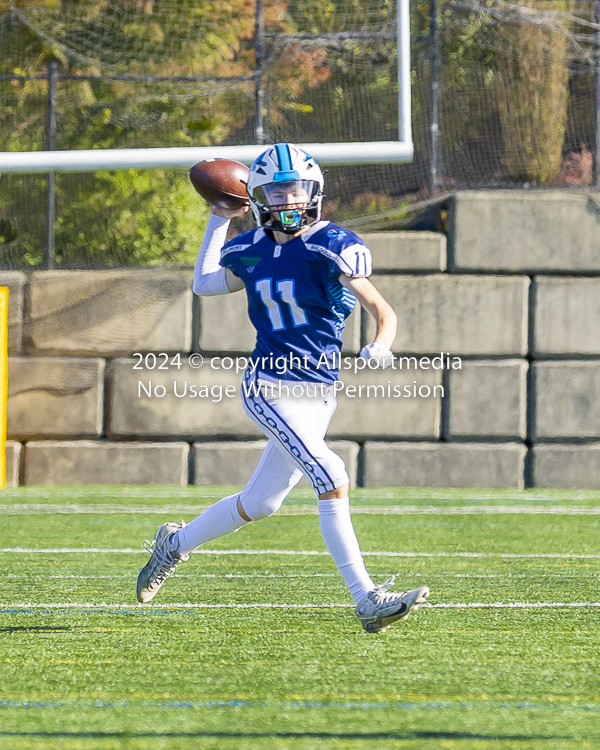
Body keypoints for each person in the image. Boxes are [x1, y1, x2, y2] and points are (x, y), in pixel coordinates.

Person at [136, 143, 429, 633]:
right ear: (257, 197)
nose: (288, 200)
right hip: (268, 385)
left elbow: (384, 310)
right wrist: (218, 218)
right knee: (331, 472)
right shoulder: (248, 248)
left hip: (318, 392)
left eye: (295, 189)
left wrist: (382, 342)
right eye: (276, 191)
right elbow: (206, 284)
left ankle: (175, 543)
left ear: (313, 192)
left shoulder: (331, 244)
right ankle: (367, 599)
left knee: (262, 503)